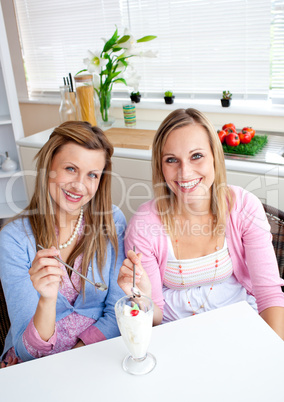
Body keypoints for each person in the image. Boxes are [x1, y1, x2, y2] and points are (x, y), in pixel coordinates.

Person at [118, 108, 284, 338]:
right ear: (160, 167)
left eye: (196, 156)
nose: (184, 173)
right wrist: (140, 296)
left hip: (240, 325)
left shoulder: (245, 207)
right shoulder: (143, 225)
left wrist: (274, 354)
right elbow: (154, 318)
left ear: (215, 156)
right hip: (177, 337)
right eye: (171, 160)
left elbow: (269, 296)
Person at [0, 121, 126, 367]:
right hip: (36, 364)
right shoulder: (13, 239)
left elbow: (117, 311)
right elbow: (27, 353)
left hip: (98, 351)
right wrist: (47, 300)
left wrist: (80, 354)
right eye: (70, 168)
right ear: (49, 168)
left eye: (92, 175)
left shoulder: (111, 221)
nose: (79, 185)